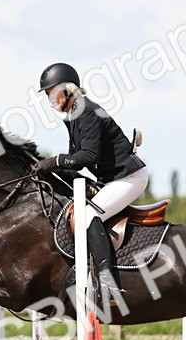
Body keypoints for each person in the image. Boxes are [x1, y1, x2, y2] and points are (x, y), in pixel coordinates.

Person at [32, 62, 149, 302]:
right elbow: (73, 160)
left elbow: (88, 156)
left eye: (52, 93)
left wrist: (55, 161)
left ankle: (109, 285)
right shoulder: (73, 116)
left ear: (68, 89)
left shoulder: (86, 111)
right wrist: (48, 170)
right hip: (112, 179)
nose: (50, 100)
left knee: (87, 215)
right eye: (47, 95)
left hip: (129, 177)